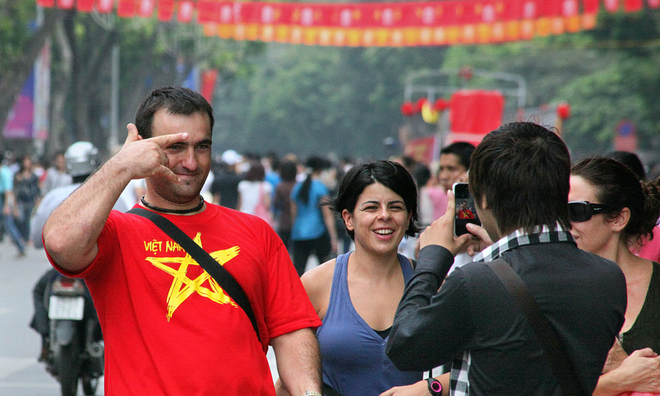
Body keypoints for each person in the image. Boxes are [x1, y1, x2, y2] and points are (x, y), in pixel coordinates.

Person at [42, 86, 322, 395]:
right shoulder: (115, 234)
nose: (191, 162)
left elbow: (292, 331)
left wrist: (310, 393)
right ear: (143, 148)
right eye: (175, 147)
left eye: (202, 147)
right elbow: (59, 242)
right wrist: (121, 165)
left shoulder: (257, 233)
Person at [386, 122, 628, 396]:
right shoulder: (609, 277)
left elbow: (403, 347)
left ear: (485, 198)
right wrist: (502, 255)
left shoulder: (476, 282)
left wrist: (432, 257)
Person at [302, 160, 439, 396]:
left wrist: (431, 388)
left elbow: (473, 363)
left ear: (408, 218)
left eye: (396, 207)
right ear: (348, 218)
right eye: (371, 207)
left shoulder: (430, 283)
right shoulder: (315, 284)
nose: (384, 216)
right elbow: (290, 374)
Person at [569, 157, 660, 396]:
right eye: (557, 212)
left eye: (576, 211)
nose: (563, 224)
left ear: (619, 219)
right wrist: (619, 380)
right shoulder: (550, 289)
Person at [30, 141, 127, 361]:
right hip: (98, 274)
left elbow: (36, 237)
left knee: (38, 291)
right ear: (94, 163)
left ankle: (45, 341)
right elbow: (127, 232)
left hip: (61, 271)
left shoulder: (52, 197)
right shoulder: (112, 195)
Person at [290, 156, 338, 276]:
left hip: (299, 233)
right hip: (318, 232)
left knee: (298, 272)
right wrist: (333, 237)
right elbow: (327, 214)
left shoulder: (297, 187)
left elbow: (293, 213)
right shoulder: (320, 187)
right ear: (321, 170)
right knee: (326, 271)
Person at [0, 152, 26, 257]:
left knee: (9, 225)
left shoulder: (3, 172)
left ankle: (20, 246)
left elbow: (8, 190)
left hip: (2, 199)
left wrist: (7, 205)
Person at [13, 155, 41, 243]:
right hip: (21, 201)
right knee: (21, 219)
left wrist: (38, 201)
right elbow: (15, 190)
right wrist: (14, 204)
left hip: (31, 200)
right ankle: (23, 236)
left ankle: (28, 238)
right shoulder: (18, 176)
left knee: (29, 220)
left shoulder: (34, 176)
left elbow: (37, 189)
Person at [237, 160, 274, 226]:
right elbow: (267, 204)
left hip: (244, 217)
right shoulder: (266, 186)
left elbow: (240, 204)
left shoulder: (242, 185)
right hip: (259, 219)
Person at [273, 160, 298, 250]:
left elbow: (275, 204)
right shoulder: (298, 185)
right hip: (297, 220)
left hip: (284, 220)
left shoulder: (280, 186)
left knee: (285, 248)